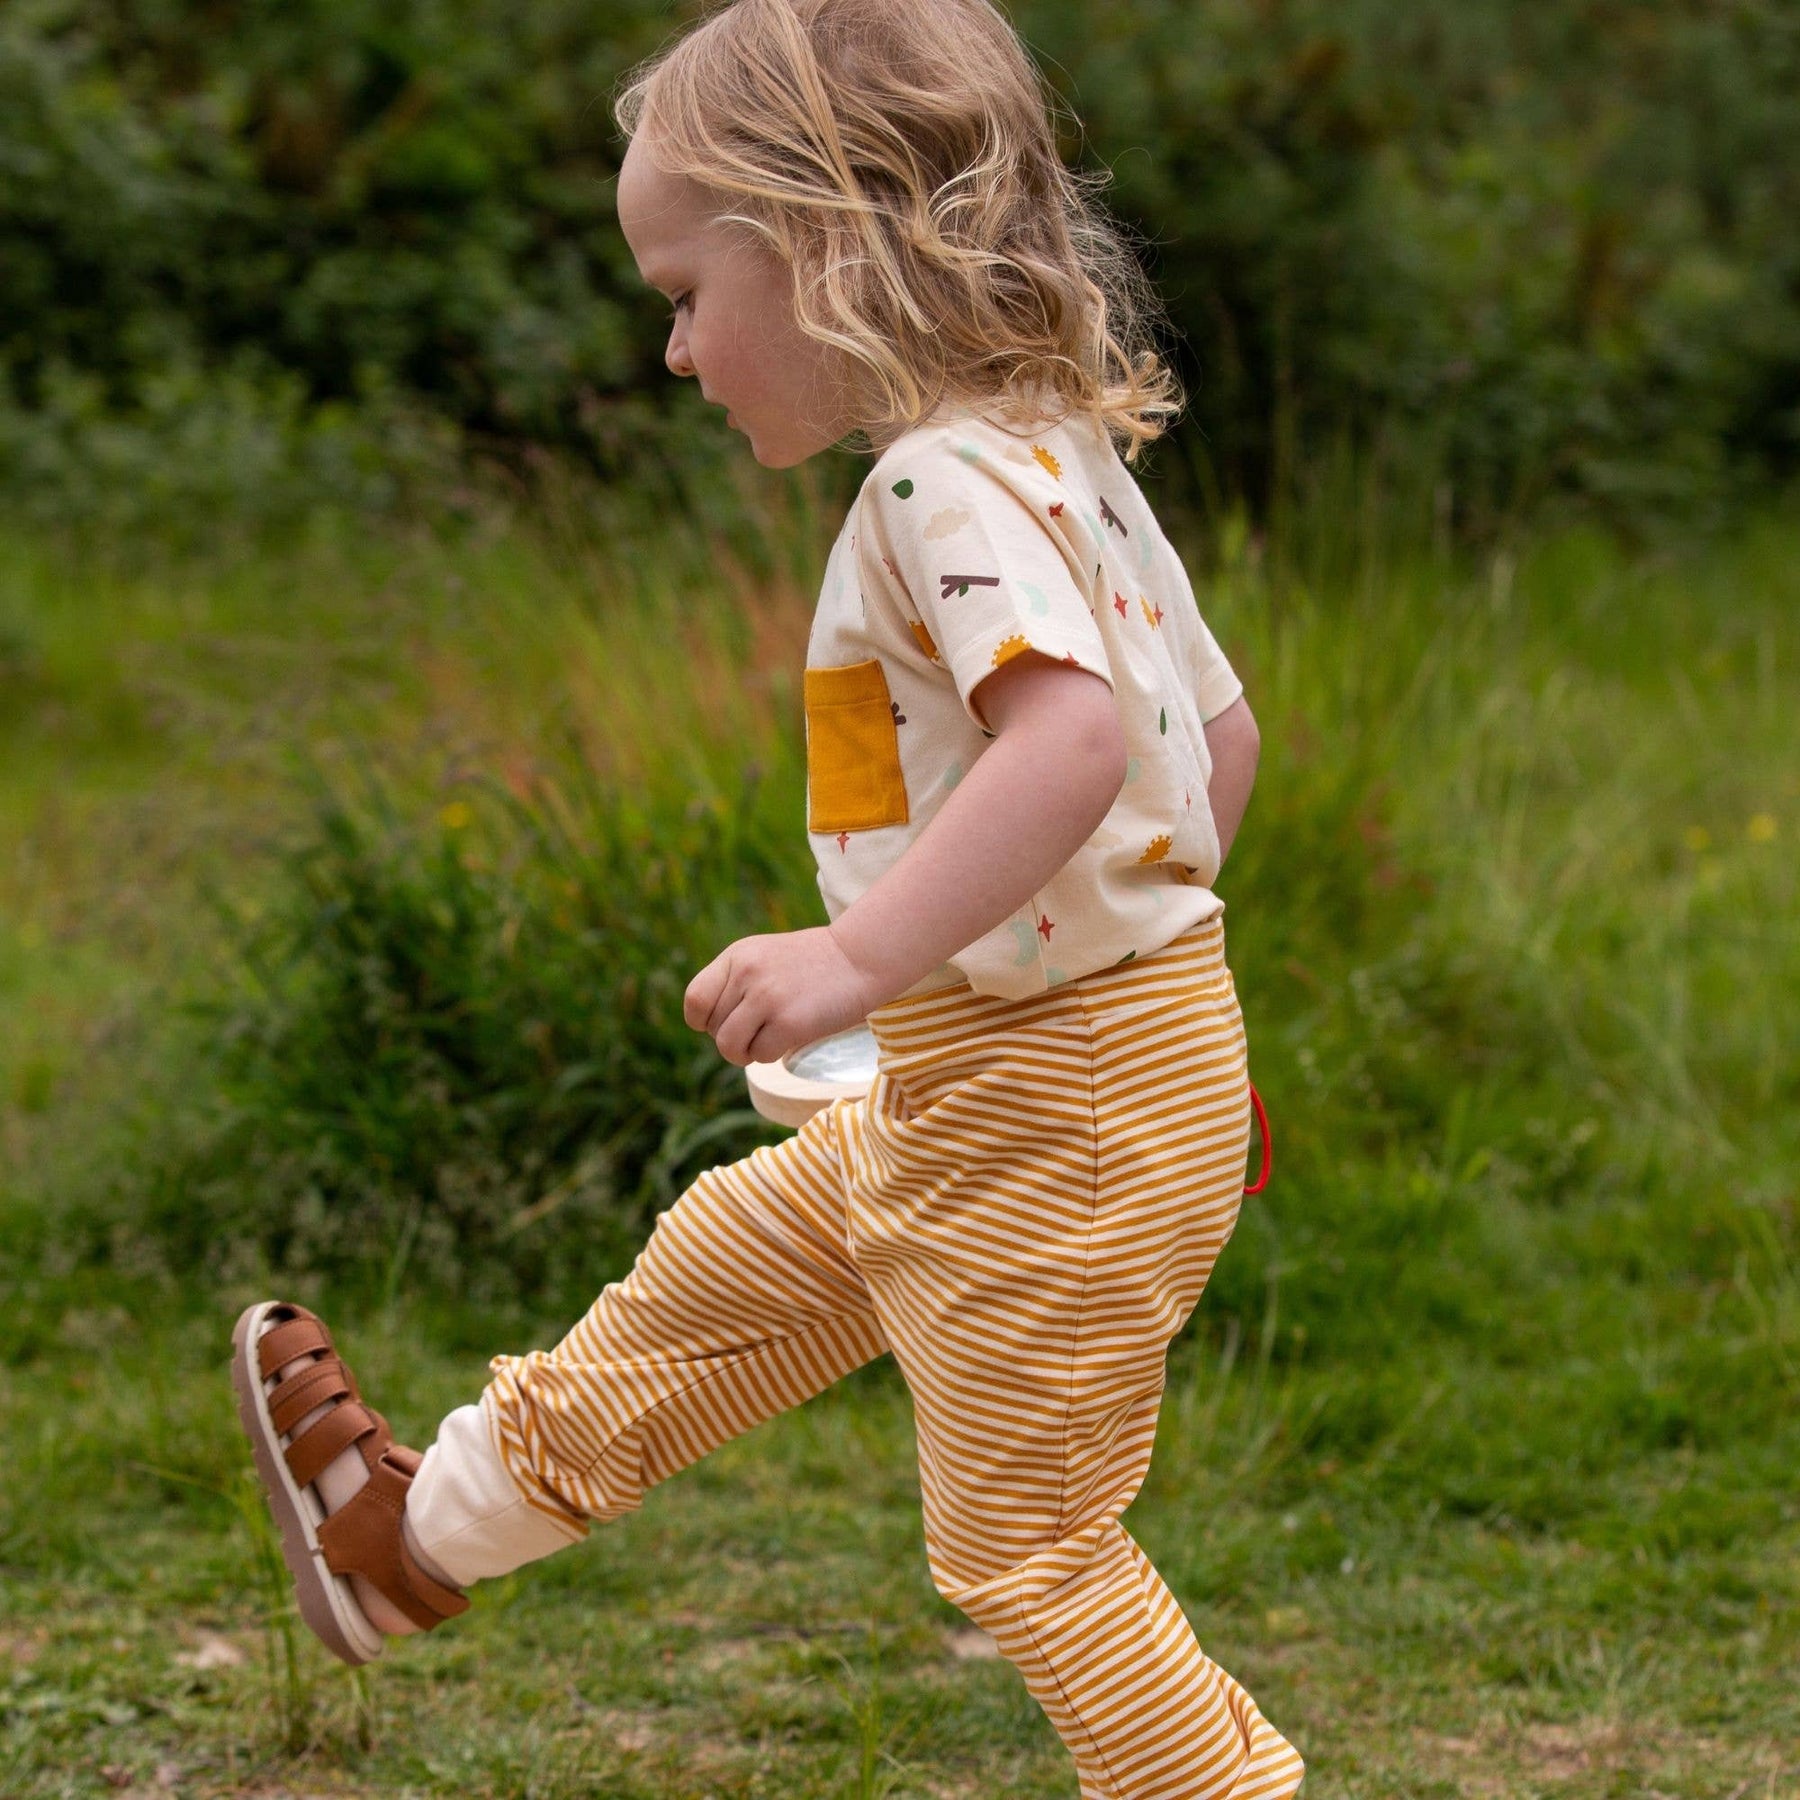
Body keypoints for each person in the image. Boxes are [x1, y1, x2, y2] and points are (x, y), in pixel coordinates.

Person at [230, 1, 1303, 1793]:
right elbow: (1219, 741)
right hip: (1041, 1073)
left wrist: (860, 957)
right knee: (724, 1271)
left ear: (826, 249)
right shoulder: (1060, 454)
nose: (673, 351)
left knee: (1028, 1546)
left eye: (682, 293)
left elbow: (1073, 746)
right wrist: (1119, 984)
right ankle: (405, 1548)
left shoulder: (940, 484)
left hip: (1060, 1100)